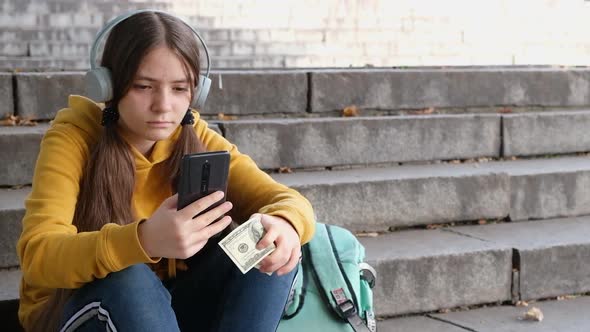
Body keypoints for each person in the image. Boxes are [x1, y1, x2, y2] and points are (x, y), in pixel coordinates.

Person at [16, 9, 315, 332]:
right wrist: (143, 240)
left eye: (179, 89)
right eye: (144, 86)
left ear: (196, 92)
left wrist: (285, 223)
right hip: (78, 308)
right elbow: (39, 255)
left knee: (263, 244)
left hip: (164, 306)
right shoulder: (74, 138)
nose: (163, 105)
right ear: (108, 86)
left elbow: (285, 199)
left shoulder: (193, 134)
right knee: (129, 274)